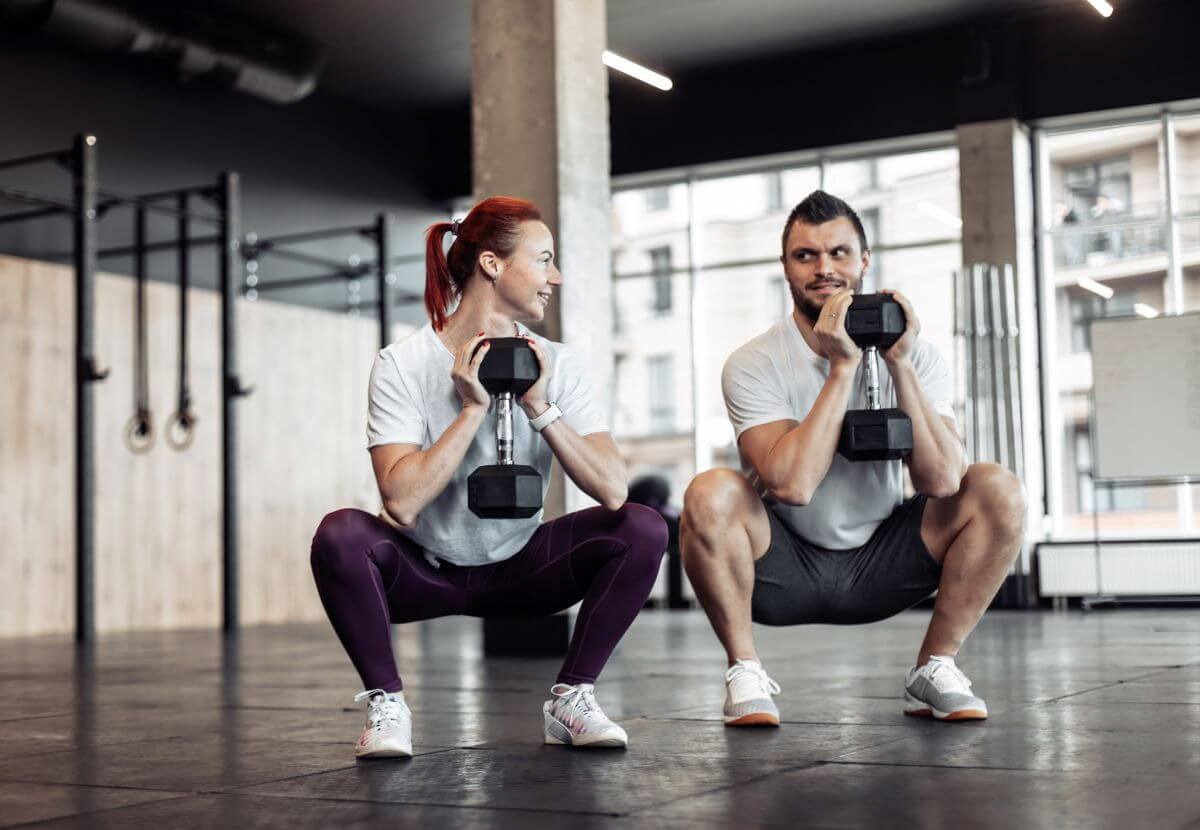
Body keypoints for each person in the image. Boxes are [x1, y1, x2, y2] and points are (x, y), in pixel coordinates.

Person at [311, 196, 668, 758]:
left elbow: (613, 489)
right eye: (544, 259)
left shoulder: (561, 365)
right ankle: (388, 704)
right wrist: (471, 409)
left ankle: (571, 698)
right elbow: (400, 505)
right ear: (492, 265)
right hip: (423, 571)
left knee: (643, 528)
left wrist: (541, 407)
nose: (557, 276)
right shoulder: (402, 363)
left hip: (523, 569)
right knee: (340, 534)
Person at [680, 190, 1025, 727]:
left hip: (885, 564)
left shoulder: (920, 355)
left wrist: (901, 366)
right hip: (781, 568)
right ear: (785, 267)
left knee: (996, 486)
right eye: (806, 256)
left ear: (865, 261)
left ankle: (935, 667)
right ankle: (744, 669)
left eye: (839, 253)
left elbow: (942, 479)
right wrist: (842, 368)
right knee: (710, 489)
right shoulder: (753, 362)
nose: (824, 269)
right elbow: (791, 485)